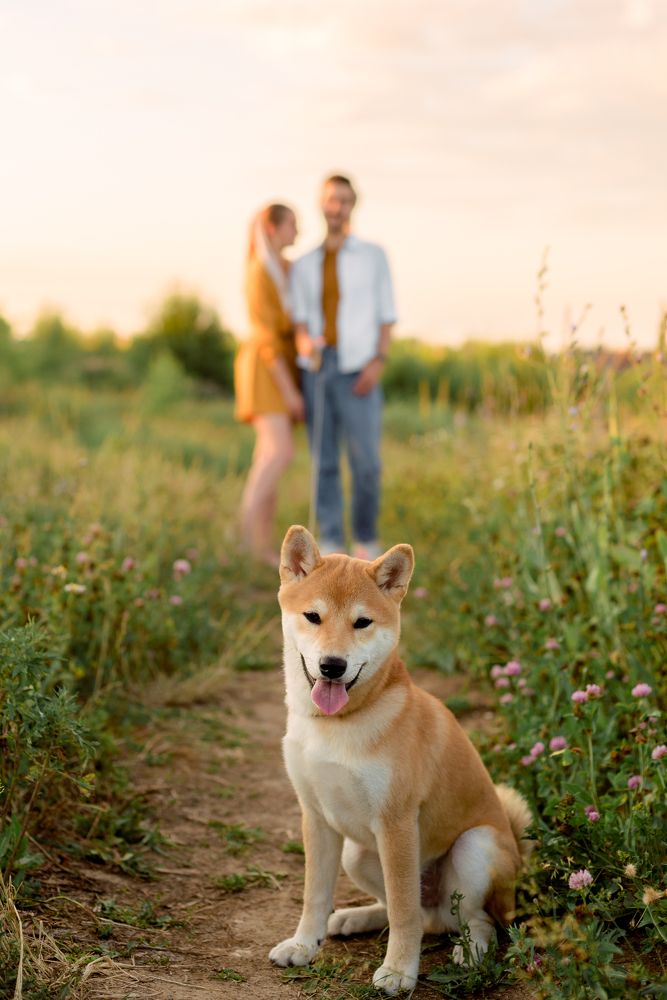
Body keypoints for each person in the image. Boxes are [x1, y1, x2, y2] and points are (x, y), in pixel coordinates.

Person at [291, 175, 396, 559]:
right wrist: (305, 343)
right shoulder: (303, 264)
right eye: (332, 200)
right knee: (324, 463)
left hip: (360, 367)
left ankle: (365, 539)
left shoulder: (374, 256)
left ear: (353, 205)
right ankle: (332, 541)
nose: (337, 207)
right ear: (322, 204)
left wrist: (378, 361)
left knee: (366, 462)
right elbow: (300, 322)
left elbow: (387, 315)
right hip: (318, 368)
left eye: (344, 200)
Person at [234, 203, 305, 566]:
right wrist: (290, 390)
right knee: (279, 453)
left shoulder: (282, 269)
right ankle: (243, 535)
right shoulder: (260, 271)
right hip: (266, 369)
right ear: (273, 228)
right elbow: (266, 337)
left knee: (268, 455)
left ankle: (259, 544)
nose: (298, 231)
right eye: (292, 224)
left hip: (279, 367)